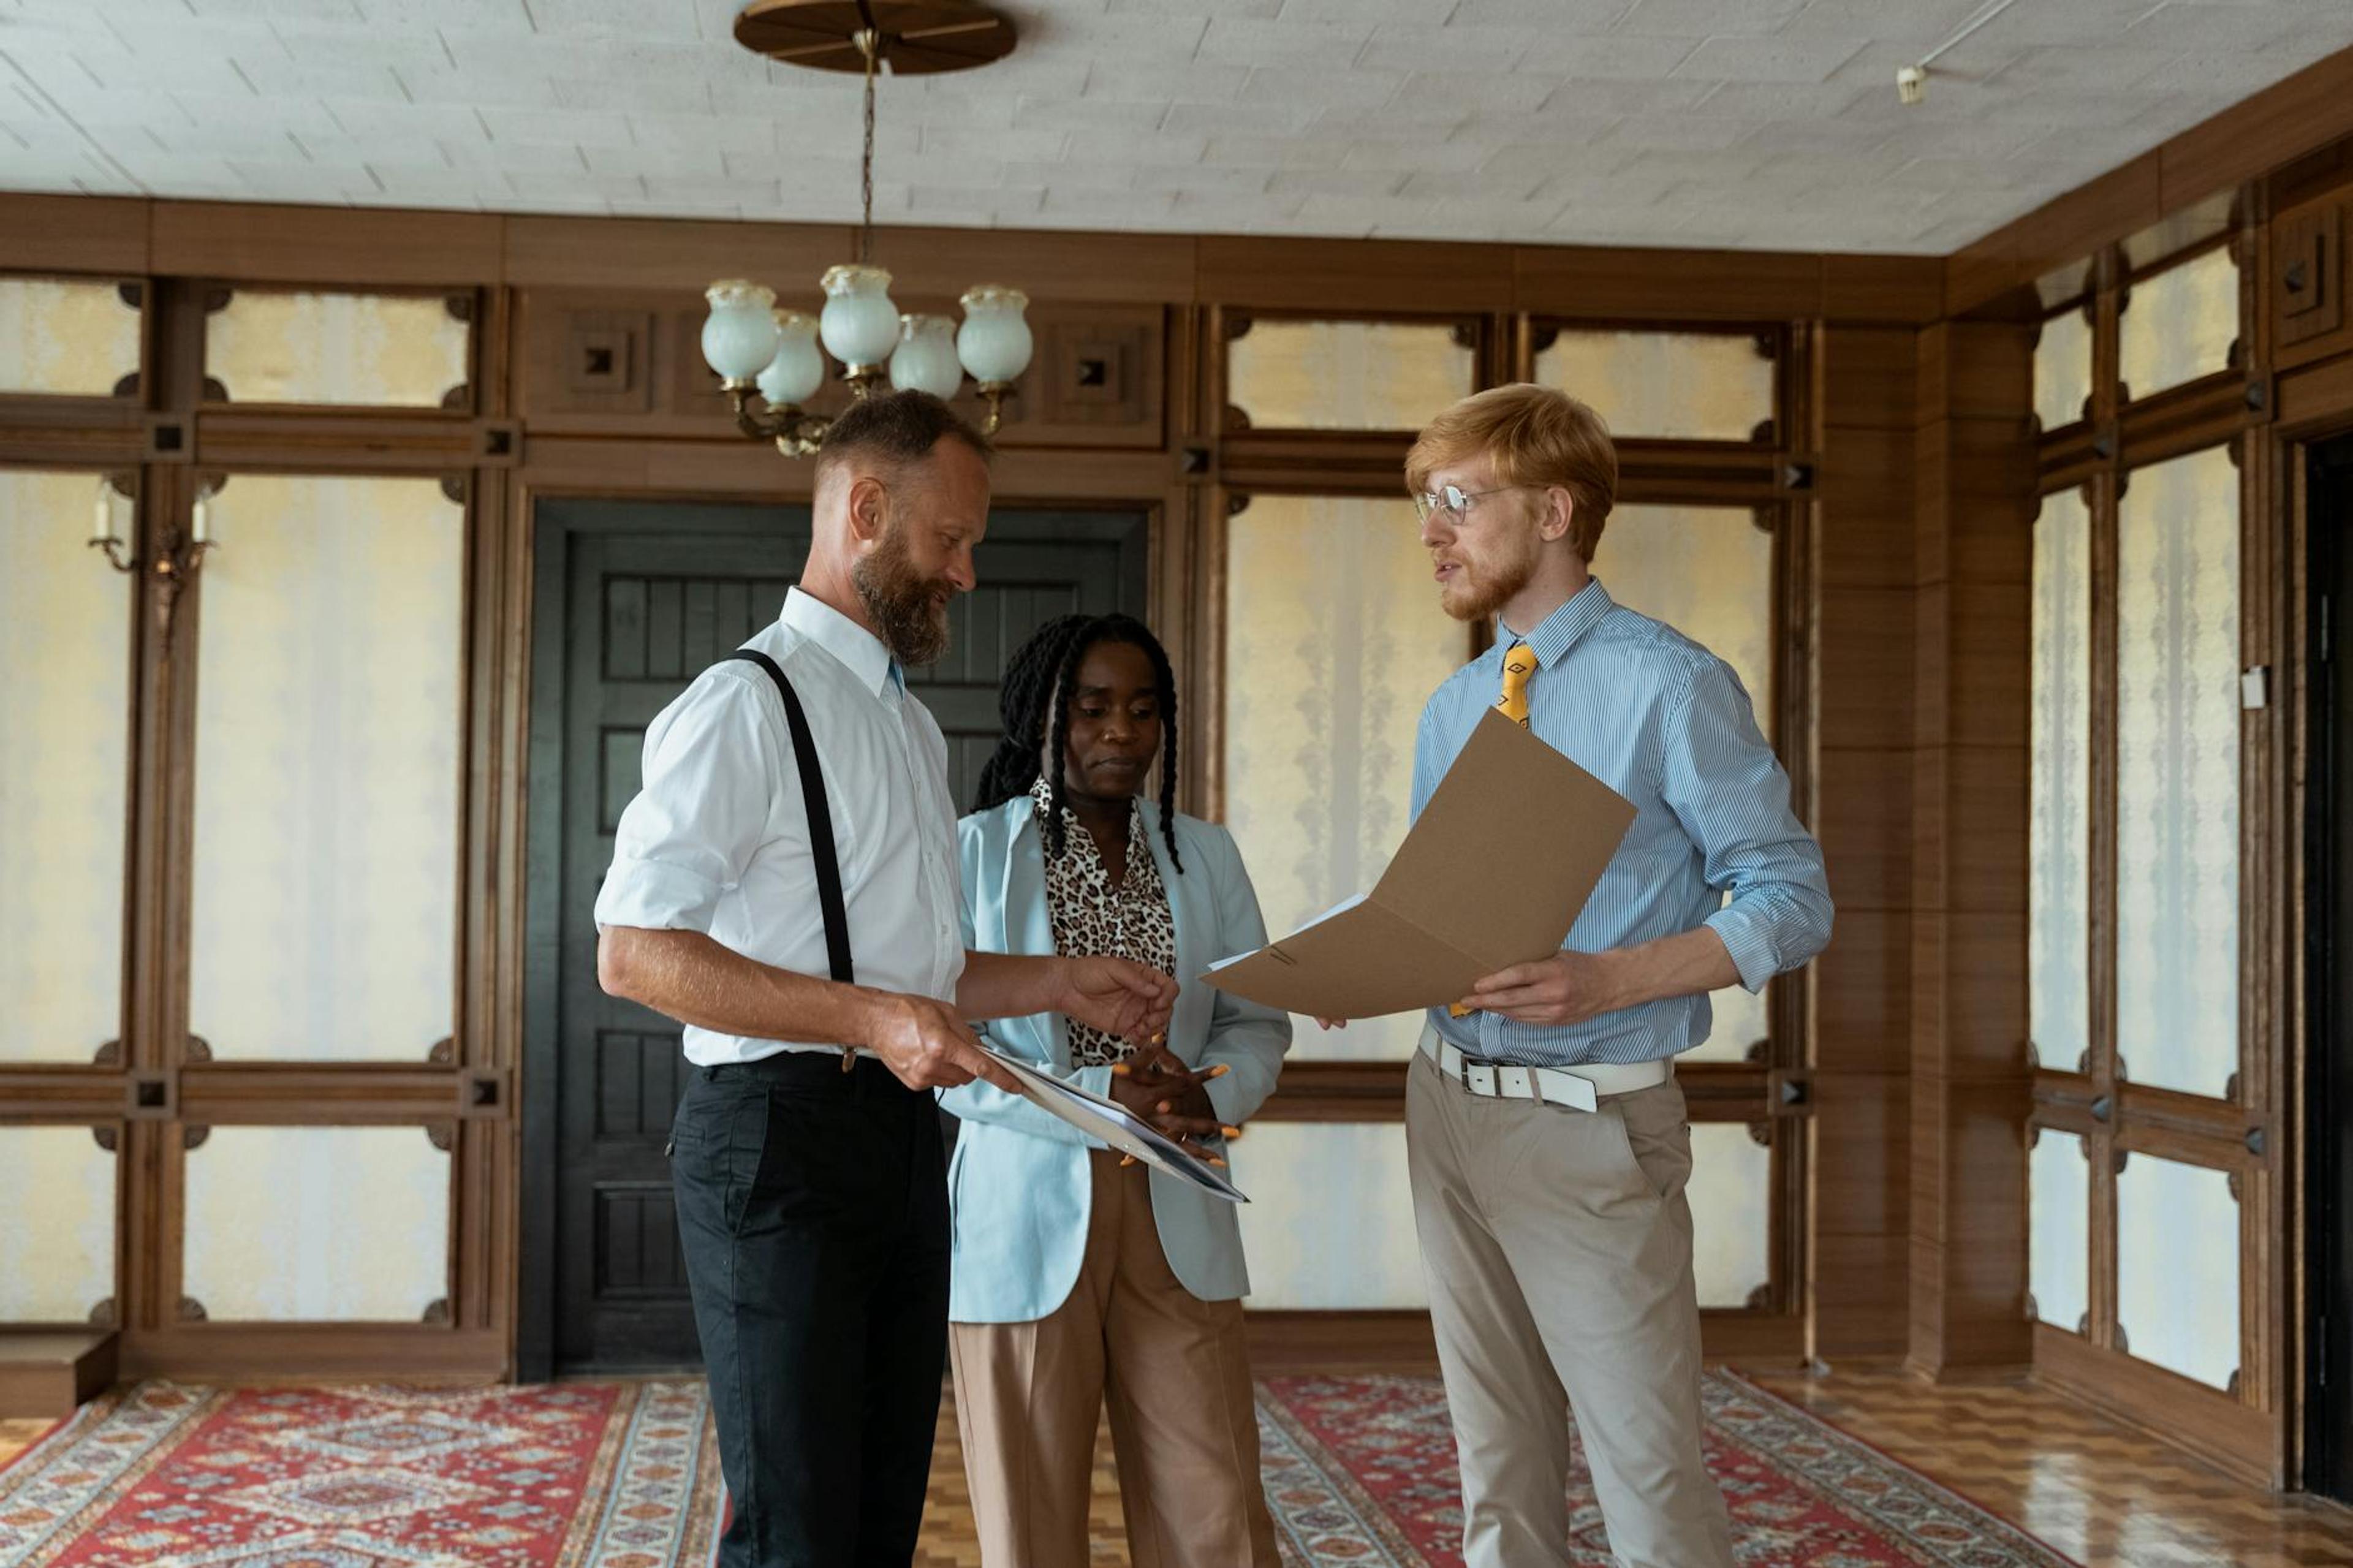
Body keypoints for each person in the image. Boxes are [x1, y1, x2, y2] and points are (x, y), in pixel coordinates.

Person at [593, 390, 1176, 1568]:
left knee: (877, 1515)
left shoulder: (909, 730)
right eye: (949, 541)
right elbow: (633, 950)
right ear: (865, 511)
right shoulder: (743, 706)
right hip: (778, 1145)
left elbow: (926, 975)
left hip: (907, 1147)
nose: (966, 574)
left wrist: (1065, 983)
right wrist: (872, 1016)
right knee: (796, 1530)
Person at [1343, 383, 1833, 1568]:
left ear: (1556, 510)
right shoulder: (1456, 706)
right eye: (1424, 503)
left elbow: (1793, 898)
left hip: (1591, 1126)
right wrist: (1374, 959)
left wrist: (1603, 982)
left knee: (1647, 1477)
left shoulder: (1672, 684)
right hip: (1446, 1104)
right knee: (1498, 1468)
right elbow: (1450, 912)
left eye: (1457, 500)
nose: (1431, 531)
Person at [943, 612, 1290, 1568]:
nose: (1121, 733)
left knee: (1214, 1504)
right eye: (1093, 708)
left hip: (1178, 1201)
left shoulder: (1204, 855)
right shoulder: (972, 851)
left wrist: (1211, 1097)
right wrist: (1099, 1089)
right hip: (1025, 1211)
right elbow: (944, 1051)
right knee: (1031, 1515)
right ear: (1042, 718)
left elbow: (1254, 1020)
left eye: (1143, 711)